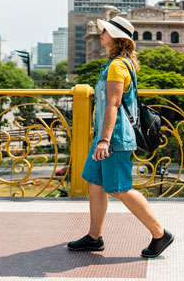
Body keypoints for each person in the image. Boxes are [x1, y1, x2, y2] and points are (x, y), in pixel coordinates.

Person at [67, 16, 174, 258]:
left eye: (104, 31)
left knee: (120, 188)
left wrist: (104, 140)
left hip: (113, 137)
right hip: (104, 135)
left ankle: (160, 234)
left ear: (115, 37)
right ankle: (94, 237)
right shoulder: (117, 63)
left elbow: (114, 104)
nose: (101, 34)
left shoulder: (117, 66)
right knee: (95, 184)